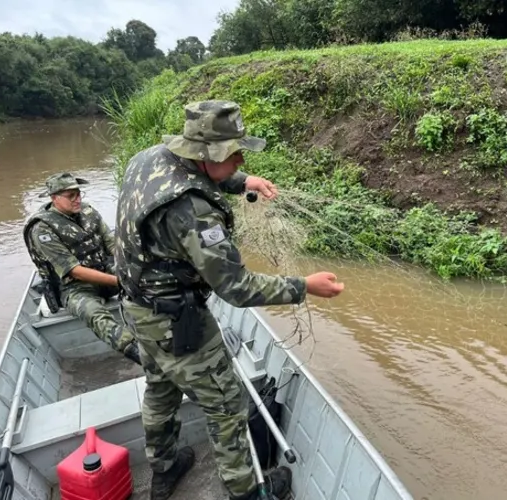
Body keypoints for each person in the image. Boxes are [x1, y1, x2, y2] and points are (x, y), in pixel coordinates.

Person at [114, 100, 345, 500]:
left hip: (136, 308)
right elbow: (236, 288)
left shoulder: (148, 158)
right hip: (176, 323)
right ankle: (245, 492)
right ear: (206, 155)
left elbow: (195, 178)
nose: (239, 159)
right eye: (233, 154)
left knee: (160, 388)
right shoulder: (194, 214)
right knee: (227, 405)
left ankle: (165, 469)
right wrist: (304, 286)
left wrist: (244, 182)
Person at [22, 172, 142, 365]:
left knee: (147, 279)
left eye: (78, 194)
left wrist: (131, 269)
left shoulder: (89, 212)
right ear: (54, 198)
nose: (77, 199)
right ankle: (141, 356)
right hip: (74, 288)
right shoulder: (42, 229)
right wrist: (119, 281)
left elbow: (112, 245)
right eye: (71, 196)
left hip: (104, 271)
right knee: (95, 314)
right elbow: (74, 270)